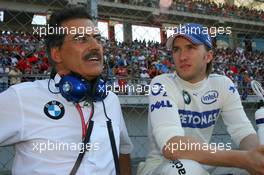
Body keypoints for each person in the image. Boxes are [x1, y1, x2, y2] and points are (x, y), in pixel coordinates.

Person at [0, 6, 133, 175]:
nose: (95, 46)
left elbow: (123, 151)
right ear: (57, 53)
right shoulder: (22, 97)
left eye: (97, 38)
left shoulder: (110, 99)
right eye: (81, 39)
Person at [137, 23, 264, 175]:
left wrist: (256, 158)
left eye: (191, 48)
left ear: (208, 56)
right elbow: (173, 147)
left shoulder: (223, 84)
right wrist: (244, 159)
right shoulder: (161, 83)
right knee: (187, 169)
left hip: (204, 162)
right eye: (177, 49)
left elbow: (243, 132)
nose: (182, 57)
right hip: (162, 166)